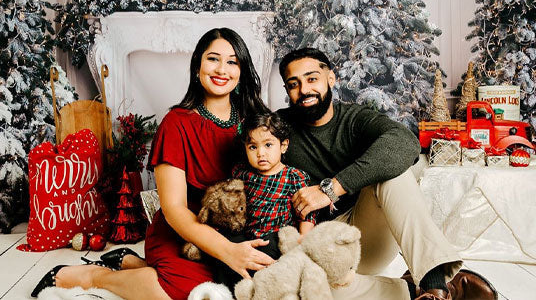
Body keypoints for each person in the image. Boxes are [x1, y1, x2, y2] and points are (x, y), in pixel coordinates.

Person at [31, 27, 275, 300]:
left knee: (250, 286)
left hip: (237, 230)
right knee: (189, 293)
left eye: (232, 61)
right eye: (213, 59)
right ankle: (97, 277)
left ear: (241, 71)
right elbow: (174, 210)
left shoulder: (257, 123)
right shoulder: (177, 123)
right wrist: (227, 251)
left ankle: (130, 262)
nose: (222, 69)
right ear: (197, 66)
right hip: (185, 231)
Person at [276, 47, 499, 300]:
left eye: (312, 78)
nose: (304, 90)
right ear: (287, 91)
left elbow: (405, 143)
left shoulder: (354, 119)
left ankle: (433, 281)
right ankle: (422, 293)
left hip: (365, 238)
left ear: (330, 78)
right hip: (318, 248)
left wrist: (331, 189)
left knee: (392, 170)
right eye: (294, 84)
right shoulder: (277, 129)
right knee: (310, 290)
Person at [213, 111, 317, 289]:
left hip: (274, 237)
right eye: (253, 147)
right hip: (246, 236)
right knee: (223, 249)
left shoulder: (294, 177)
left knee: (272, 254)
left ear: (283, 146)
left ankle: (262, 287)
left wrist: (303, 239)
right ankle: (225, 290)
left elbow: (306, 212)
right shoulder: (241, 173)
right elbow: (230, 201)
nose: (261, 153)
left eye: (268, 145)